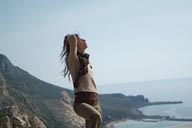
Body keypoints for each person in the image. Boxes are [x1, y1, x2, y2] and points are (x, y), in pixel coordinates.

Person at [60, 34, 102, 128]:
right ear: (75, 44)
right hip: (81, 103)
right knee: (95, 116)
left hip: (95, 101)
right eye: (80, 39)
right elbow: (71, 38)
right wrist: (73, 38)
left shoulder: (87, 61)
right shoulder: (73, 60)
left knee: (96, 119)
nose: (84, 39)